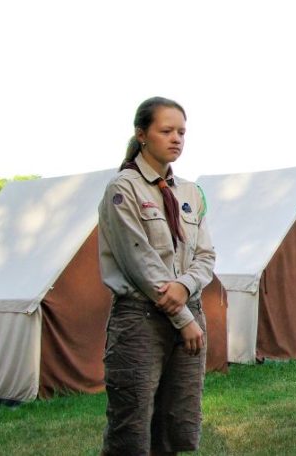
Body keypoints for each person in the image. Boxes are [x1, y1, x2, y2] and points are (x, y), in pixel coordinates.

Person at [98, 96, 215, 455]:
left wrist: (185, 286)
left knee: (176, 422)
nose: (176, 138)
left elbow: (206, 255)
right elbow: (140, 261)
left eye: (181, 131)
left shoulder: (191, 193)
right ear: (142, 134)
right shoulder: (124, 189)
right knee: (130, 428)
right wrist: (182, 317)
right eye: (166, 130)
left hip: (189, 314)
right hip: (142, 319)